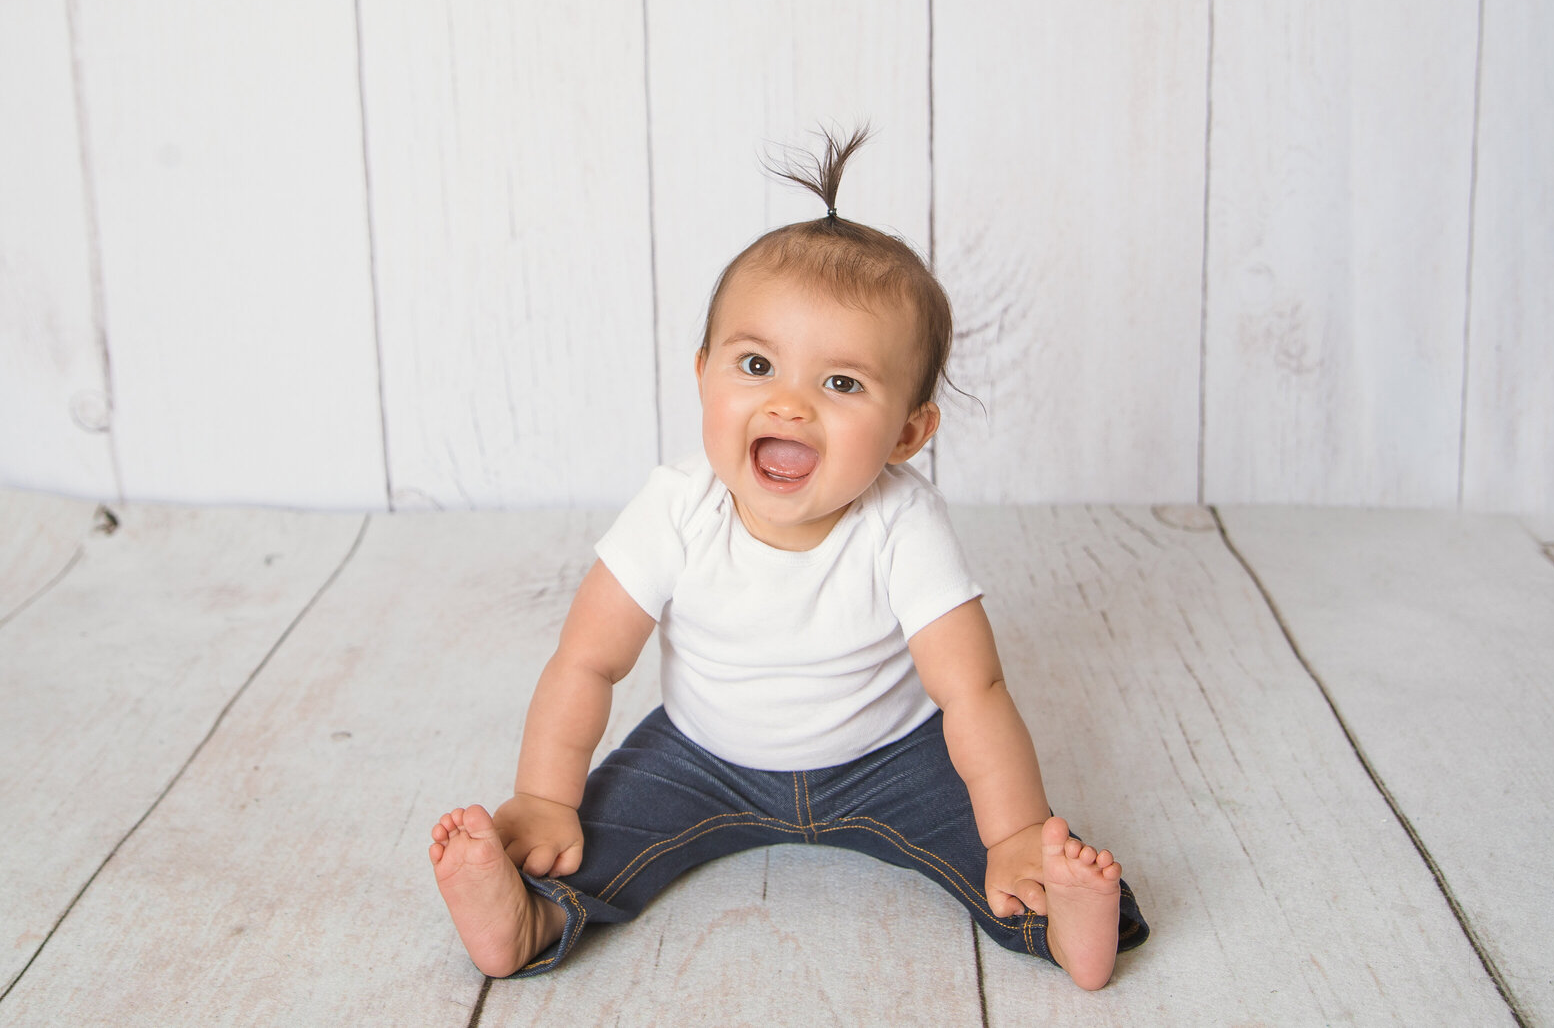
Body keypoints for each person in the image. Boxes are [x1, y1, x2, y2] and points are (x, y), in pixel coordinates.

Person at [429, 127, 1148, 991]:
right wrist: (544, 794)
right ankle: (532, 914)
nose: (790, 403)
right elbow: (586, 658)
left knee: (1007, 852)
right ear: (703, 374)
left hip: (889, 756)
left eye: (841, 383)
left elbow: (972, 691)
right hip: (699, 753)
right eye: (758, 364)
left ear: (910, 433)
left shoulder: (902, 523)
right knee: (585, 829)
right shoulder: (676, 508)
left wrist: (1015, 827)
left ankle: (1064, 922)